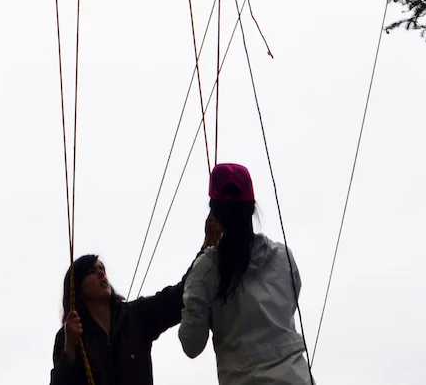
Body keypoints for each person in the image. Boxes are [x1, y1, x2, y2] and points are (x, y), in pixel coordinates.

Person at [178, 162, 311, 385]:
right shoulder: (282, 258)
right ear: (252, 208)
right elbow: (290, 302)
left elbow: (192, 344)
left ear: (215, 214)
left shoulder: (206, 270)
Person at [51, 248, 205, 385]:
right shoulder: (70, 336)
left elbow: (178, 297)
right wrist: (69, 350)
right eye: (92, 271)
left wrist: (206, 250)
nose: (101, 273)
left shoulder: (135, 316)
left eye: (101, 269)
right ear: (77, 289)